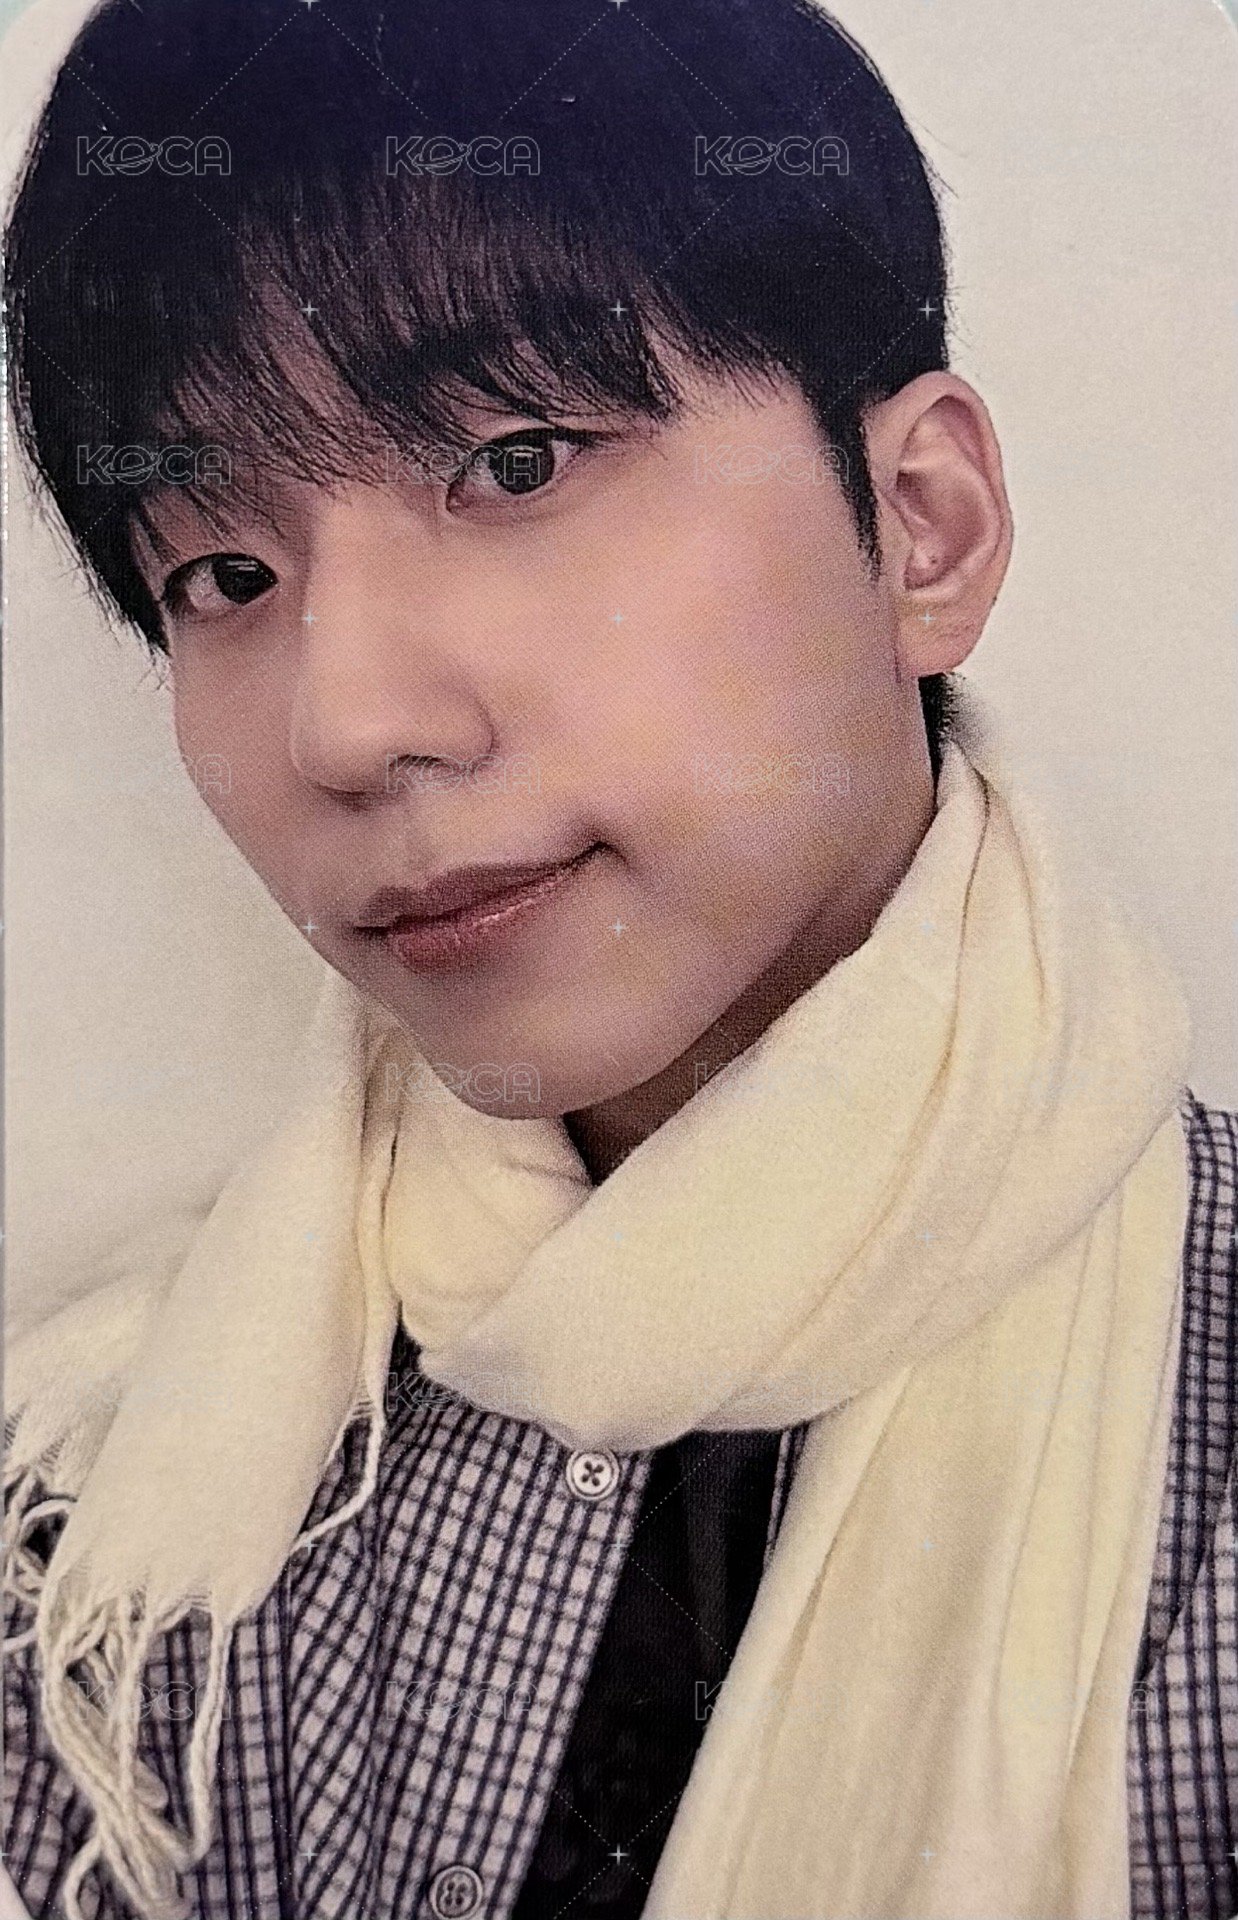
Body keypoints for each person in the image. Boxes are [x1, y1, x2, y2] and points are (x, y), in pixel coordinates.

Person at [2, 0, 1234, 1916]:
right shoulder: (102, 1511)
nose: (347, 724)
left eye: (512, 463)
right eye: (222, 576)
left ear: (920, 531)